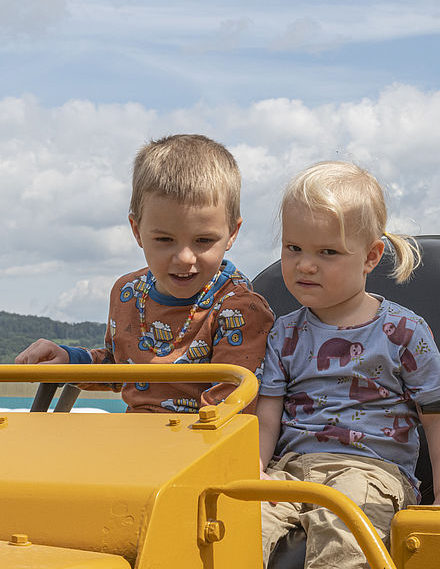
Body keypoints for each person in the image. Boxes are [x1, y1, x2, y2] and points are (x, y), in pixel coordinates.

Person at [257, 161, 440, 568]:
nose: (305, 264)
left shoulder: (402, 331)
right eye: (293, 248)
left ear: (371, 257)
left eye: (327, 252)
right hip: (289, 472)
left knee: (344, 526)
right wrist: (256, 473)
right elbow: (266, 417)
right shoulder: (283, 333)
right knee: (232, 524)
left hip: (373, 471)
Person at [15, 133, 274, 414]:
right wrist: (69, 359)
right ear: (137, 231)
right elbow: (119, 366)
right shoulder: (127, 293)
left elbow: (229, 407)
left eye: (203, 241)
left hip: (200, 442)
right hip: (137, 440)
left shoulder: (239, 308)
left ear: (232, 233)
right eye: (164, 240)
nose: (185, 258)